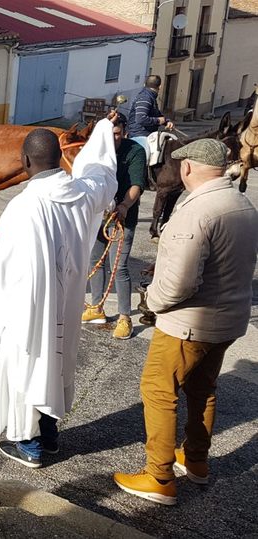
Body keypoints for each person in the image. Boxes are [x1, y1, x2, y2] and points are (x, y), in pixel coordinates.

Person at [0, 116, 118, 468]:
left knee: (29, 365)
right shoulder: (83, 192)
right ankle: (49, 435)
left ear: (25, 161)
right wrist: (103, 134)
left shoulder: (23, 208)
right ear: (58, 159)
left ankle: (28, 444)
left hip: (32, 309)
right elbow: (104, 175)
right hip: (65, 303)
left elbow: (9, 266)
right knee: (58, 363)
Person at [113, 139, 258, 505]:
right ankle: (195, 461)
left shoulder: (195, 212)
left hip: (188, 324)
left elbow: (179, 285)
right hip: (228, 319)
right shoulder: (241, 203)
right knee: (203, 388)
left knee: (158, 391)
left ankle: (158, 476)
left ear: (188, 168)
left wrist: (153, 300)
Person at [82, 114, 147, 339]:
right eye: (109, 135)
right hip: (98, 216)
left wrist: (125, 206)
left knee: (119, 267)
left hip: (122, 218)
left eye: (117, 135)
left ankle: (124, 317)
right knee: (95, 261)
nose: (113, 139)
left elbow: (137, 184)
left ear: (124, 133)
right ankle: (96, 307)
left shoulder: (135, 151)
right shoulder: (95, 150)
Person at [127, 75, 174, 157]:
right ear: (160, 86)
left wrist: (166, 121)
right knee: (145, 159)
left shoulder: (150, 97)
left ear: (144, 84)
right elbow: (141, 119)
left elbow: (156, 114)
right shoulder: (145, 97)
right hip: (139, 135)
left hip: (147, 134)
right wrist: (158, 121)